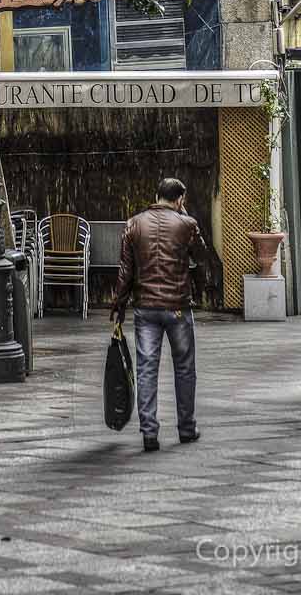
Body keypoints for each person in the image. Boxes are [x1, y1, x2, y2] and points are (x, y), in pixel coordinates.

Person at [111, 175, 209, 451]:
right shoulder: (186, 224)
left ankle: (149, 433)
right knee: (185, 368)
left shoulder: (134, 224)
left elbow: (125, 272)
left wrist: (118, 305)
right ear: (179, 200)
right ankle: (187, 428)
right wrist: (187, 219)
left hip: (145, 308)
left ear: (156, 196)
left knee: (146, 368)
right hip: (178, 307)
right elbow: (201, 257)